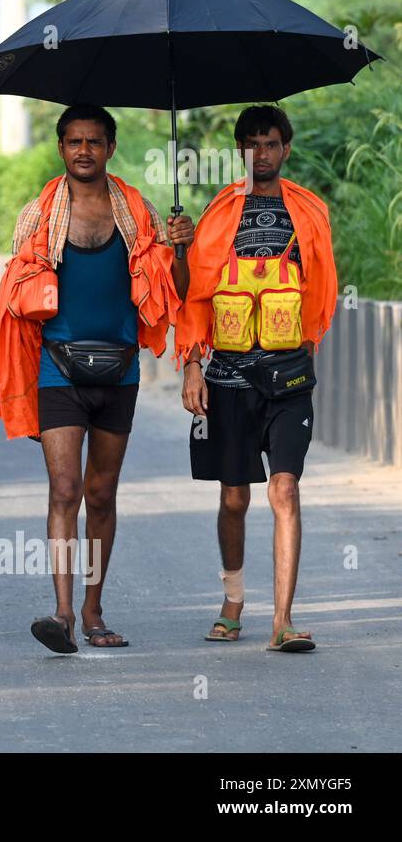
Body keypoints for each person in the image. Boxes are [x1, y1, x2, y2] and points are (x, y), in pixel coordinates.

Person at [0, 104, 194, 654]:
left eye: (95, 141)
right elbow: (15, 299)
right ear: (61, 149)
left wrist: (182, 246)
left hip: (121, 369)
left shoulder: (139, 212)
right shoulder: (39, 215)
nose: (84, 150)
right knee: (65, 489)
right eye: (74, 141)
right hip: (57, 367)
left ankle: (94, 610)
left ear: (111, 148)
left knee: (102, 494)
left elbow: (177, 289)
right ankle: (61, 614)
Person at [179, 105, 337, 652]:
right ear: (239, 151)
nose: (261, 154)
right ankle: (233, 599)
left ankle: (283, 621)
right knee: (232, 498)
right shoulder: (219, 211)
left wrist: (306, 347)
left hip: (290, 378)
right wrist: (192, 364)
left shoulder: (309, 212)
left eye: (270, 143)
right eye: (250, 144)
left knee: (285, 489)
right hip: (227, 378)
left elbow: (322, 288)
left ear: (285, 149)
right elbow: (193, 292)